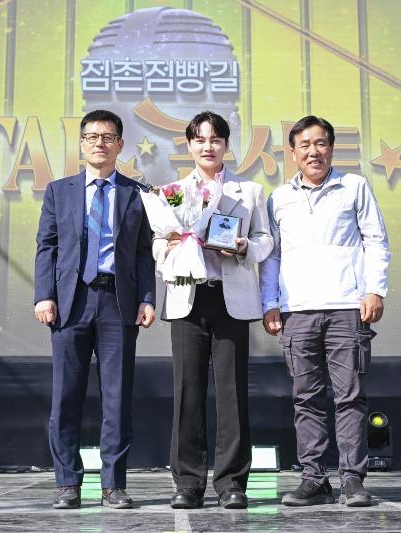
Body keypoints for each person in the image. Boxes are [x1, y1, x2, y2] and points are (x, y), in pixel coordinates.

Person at [259, 115, 390, 507]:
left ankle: (352, 480)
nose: (313, 151)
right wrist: (270, 303)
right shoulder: (279, 198)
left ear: (331, 148)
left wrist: (374, 290)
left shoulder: (354, 186)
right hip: (297, 311)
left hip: (347, 308)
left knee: (350, 397)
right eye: (305, 145)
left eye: (320, 143)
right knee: (307, 399)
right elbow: (271, 257)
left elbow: (376, 240)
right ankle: (314, 479)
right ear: (293, 153)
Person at [34, 109, 156, 510]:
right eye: (91, 137)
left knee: (117, 399)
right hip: (71, 302)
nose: (99, 144)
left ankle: (113, 485)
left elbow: (144, 252)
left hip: (118, 303)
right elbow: (47, 247)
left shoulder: (138, 194)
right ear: (82, 144)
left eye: (107, 137)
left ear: (120, 145)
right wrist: (44, 295)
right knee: (65, 396)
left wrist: (147, 298)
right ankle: (67, 483)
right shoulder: (59, 191)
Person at [153, 111, 273, 509]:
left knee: (232, 393)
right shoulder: (172, 192)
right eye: (200, 140)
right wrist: (169, 247)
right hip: (188, 297)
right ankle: (188, 483)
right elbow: (156, 241)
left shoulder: (249, 191)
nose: (208, 147)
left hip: (229, 298)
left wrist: (244, 247)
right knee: (187, 392)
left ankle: (232, 483)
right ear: (189, 145)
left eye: (216, 139)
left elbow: (265, 240)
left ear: (226, 145)